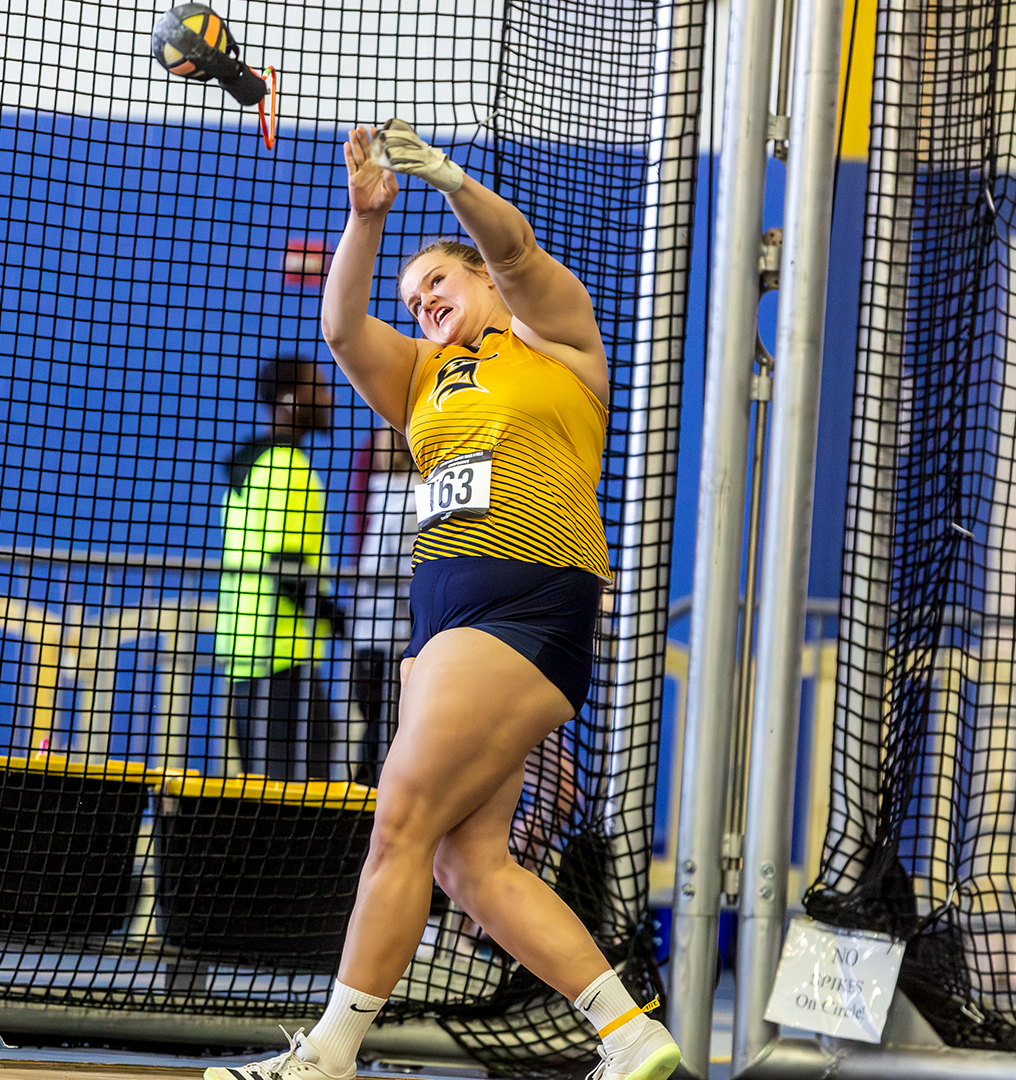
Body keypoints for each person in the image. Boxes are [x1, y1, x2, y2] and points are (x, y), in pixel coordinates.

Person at [205, 122, 678, 1080]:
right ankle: (630, 1039)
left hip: (526, 605)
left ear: (485, 289)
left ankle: (329, 1054)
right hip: (443, 628)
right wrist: (367, 219)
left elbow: (515, 251)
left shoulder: (559, 345)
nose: (424, 303)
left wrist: (450, 180)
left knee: (400, 821)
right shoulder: (420, 377)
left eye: (441, 285)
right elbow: (342, 329)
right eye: (415, 297)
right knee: (470, 863)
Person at [215, 355, 345, 781]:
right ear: (291, 399)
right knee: (306, 805)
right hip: (281, 666)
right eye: (319, 388)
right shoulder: (287, 466)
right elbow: (285, 567)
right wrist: (345, 621)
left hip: (247, 664)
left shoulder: (253, 464)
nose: (330, 398)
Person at [345, 424, 420, 785]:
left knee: (383, 731)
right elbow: (379, 562)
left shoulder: (383, 492)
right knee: (385, 732)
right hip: (388, 636)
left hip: (378, 634)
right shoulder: (406, 494)